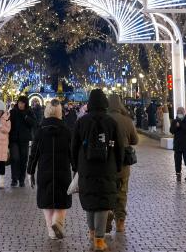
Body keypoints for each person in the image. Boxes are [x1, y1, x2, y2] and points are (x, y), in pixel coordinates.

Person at [71, 89, 123, 251]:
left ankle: (92, 232)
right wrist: (118, 166)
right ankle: (99, 240)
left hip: (86, 167)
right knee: (103, 202)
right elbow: (119, 147)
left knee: (90, 201)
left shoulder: (81, 122)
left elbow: (74, 146)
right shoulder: (111, 122)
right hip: (107, 167)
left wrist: (75, 166)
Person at [28, 100, 73, 240]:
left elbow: (34, 153)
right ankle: (57, 222)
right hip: (63, 170)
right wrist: (77, 169)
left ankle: (51, 230)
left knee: (46, 201)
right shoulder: (66, 131)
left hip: (44, 170)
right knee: (62, 200)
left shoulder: (40, 131)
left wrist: (30, 171)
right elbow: (72, 153)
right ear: (60, 112)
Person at [106, 92, 138, 234]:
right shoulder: (126, 120)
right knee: (122, 192)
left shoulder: (104, 119)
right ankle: (120, 221)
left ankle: (107, 214)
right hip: (123, 163)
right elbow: (135, 140)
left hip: (107, 162)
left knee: (107, 190)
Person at [9, 95, 37, 187]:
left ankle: (21, 179)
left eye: (22, 103)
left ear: (26, 104)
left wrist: (26, 117)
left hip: (24, 139)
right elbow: (8, 124)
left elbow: (34, 123)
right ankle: (14, 179)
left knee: (23, 159)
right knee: (15, 158)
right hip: (14, 139)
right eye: (19, 103)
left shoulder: (29, 112)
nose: (20, 105)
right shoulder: (13, 112)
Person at [169, 106, 186, 181]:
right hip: (177, 144)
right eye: (178, 112)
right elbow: (171, 131)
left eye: (181, 112)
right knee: (177, 161)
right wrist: (176, 126)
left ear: (184, 113)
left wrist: (181, 125)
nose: (179, 114)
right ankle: (178, 174)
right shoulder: (174, 121)